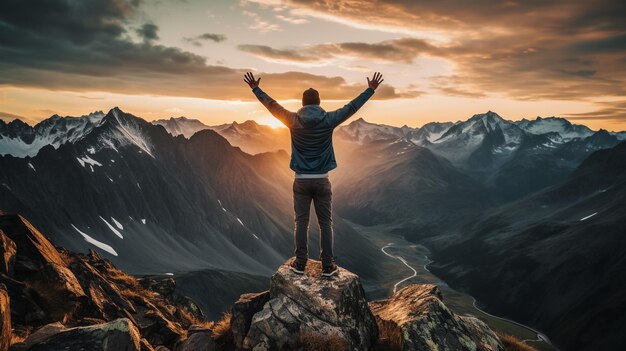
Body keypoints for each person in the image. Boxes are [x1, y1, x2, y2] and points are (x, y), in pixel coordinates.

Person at [244, 72, 384, 277]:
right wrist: (370, 89)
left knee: (300, 222)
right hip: (322, 180)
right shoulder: (328, 120)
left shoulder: (293, 120)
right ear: (319, 103)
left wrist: (256, 88)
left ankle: (300, 264)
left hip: (300, 180)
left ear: (302, 103)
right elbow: (352, 107)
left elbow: (272, 106)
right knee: (325, 223)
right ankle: (328, 266)